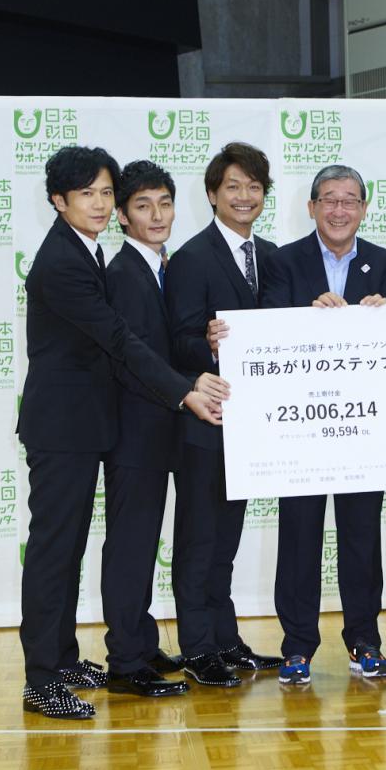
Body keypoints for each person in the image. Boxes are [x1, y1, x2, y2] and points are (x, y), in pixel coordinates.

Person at [17, 146, 217, 719]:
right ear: (58, 201)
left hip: (84, 427)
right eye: (88, 195)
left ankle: (60, 658)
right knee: (54, 552)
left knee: (69, 547)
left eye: (106, 192)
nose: (100, 204)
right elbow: (121, 340)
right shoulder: (62, 262)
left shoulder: (86, 251)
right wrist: (184, 390)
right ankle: (41, 680)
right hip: (63, 429)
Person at [260, 164, 386, 685]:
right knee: (298, 537)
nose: (340, 210)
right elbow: (268, 329)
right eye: (329, 200)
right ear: (312, 207)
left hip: (363, 428)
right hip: (302, 428)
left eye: (350, 200)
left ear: (364, 208)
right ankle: (297, 646)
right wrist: (307, 312)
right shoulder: (282, 261)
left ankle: (365, 641)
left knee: (362, 538)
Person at [163, 142, 283, 688]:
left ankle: (226, 639)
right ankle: (197, 647)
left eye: (253, 186)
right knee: (198, 539)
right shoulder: (189, 258)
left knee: (226, 541)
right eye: (232, 186)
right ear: (212, 194)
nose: (244, 196)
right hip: (205, 424)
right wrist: (208, 345)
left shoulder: (273, 256)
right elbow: (174, 342)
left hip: (252, 428)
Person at [100, 160, 194, 697]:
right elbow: (133, 358)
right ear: (121, 216)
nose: (156, 215)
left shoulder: (160, 266)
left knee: (141, 540)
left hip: (160, 430)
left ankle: (141, 639)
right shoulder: (123, 274)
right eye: (142, 206)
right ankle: (125, 659)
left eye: (164, 203)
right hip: (135, 432)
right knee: (132, 545)